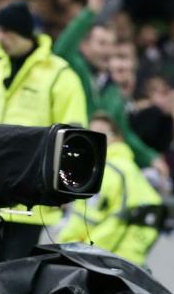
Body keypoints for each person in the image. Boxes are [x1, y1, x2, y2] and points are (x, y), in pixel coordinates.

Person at [0, 0, 87, 260]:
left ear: (26, 34)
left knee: (13, 281)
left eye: (8, 32)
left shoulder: (59, 74)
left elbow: (74, 135)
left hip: (33, 204)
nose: (1, 37)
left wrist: (64, 187)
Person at [54, 0, 163, 171]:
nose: (107, 50)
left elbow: (123, 132)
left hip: (102, 162)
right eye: (101, 43)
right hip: (68, 155)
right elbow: (61, 50)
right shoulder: (75, 69)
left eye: (110, 44)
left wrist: (151, 158)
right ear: (84, 46)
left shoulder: (114, 89)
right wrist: (90, 11)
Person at [57, 114, 162, 266]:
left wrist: (70, 247)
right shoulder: (130, 170)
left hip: (102, 262)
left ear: (117, 138)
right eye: (89, 133)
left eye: (100, 133)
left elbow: (89, 221)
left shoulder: (107, 172)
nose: (92, 139)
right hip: (130, 263)